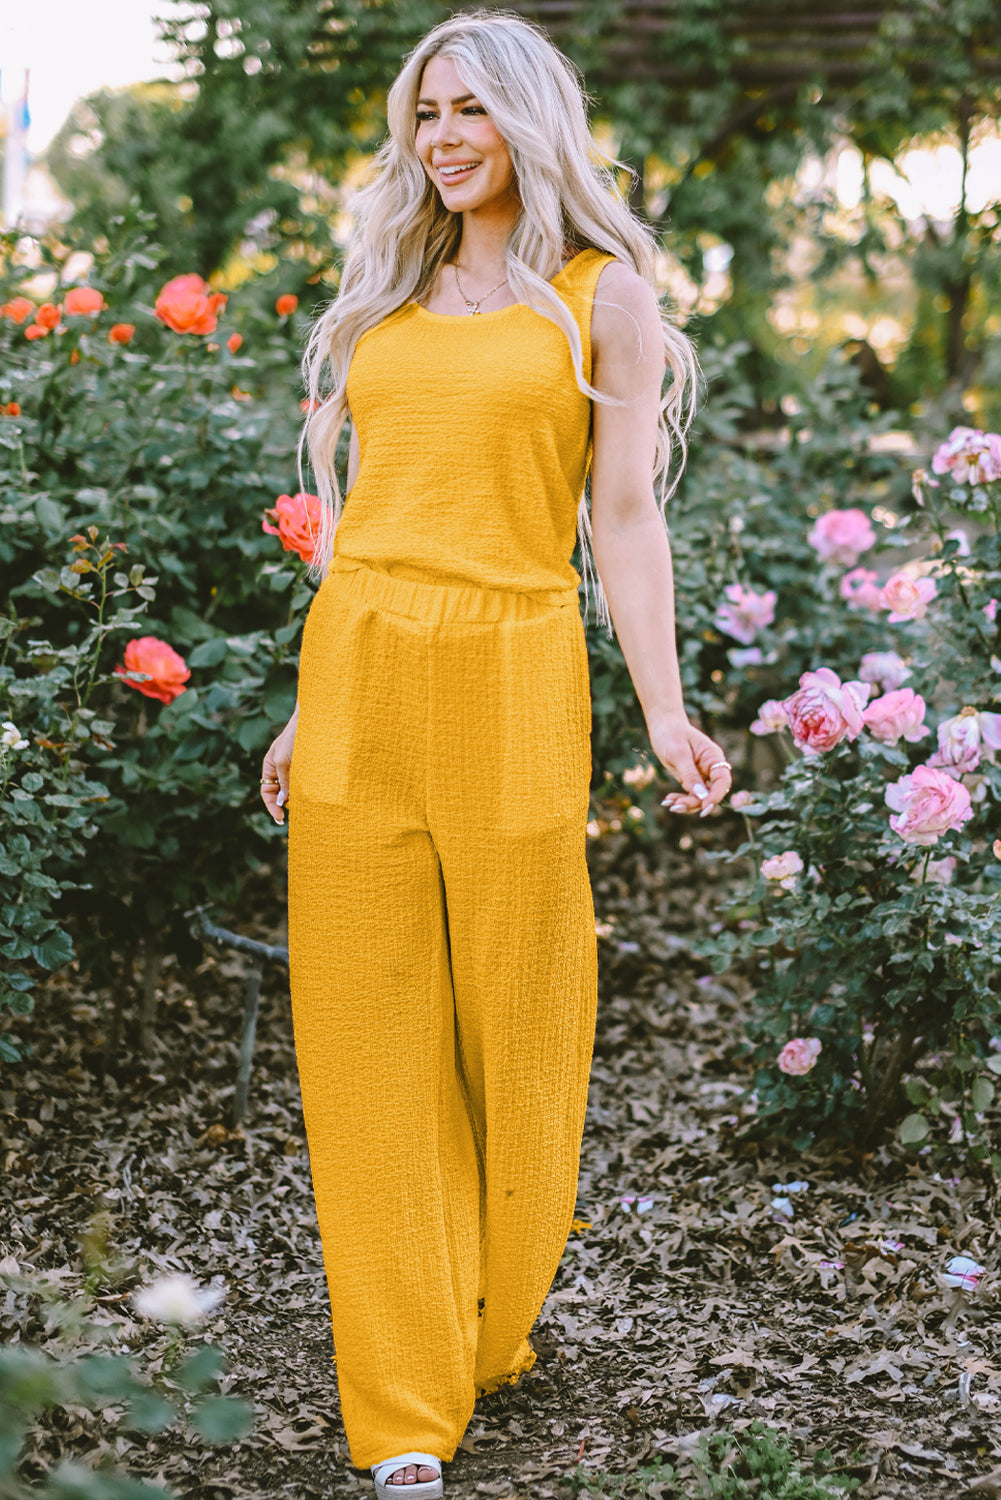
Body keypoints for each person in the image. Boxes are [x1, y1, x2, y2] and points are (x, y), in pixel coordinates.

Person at [259, 10, 731, 1495]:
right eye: (423, 113)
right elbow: (370, 526)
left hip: (516, 676)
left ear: (529, 121)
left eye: (468, 108)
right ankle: (401, 1408)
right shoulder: (387, 307)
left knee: (520, 1039)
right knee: (364, 1047)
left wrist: (662, 710)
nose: (441, 136)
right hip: (360, 680)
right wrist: (301, 703)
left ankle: (492, 1318)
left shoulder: (601, 299)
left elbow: (623, 522)